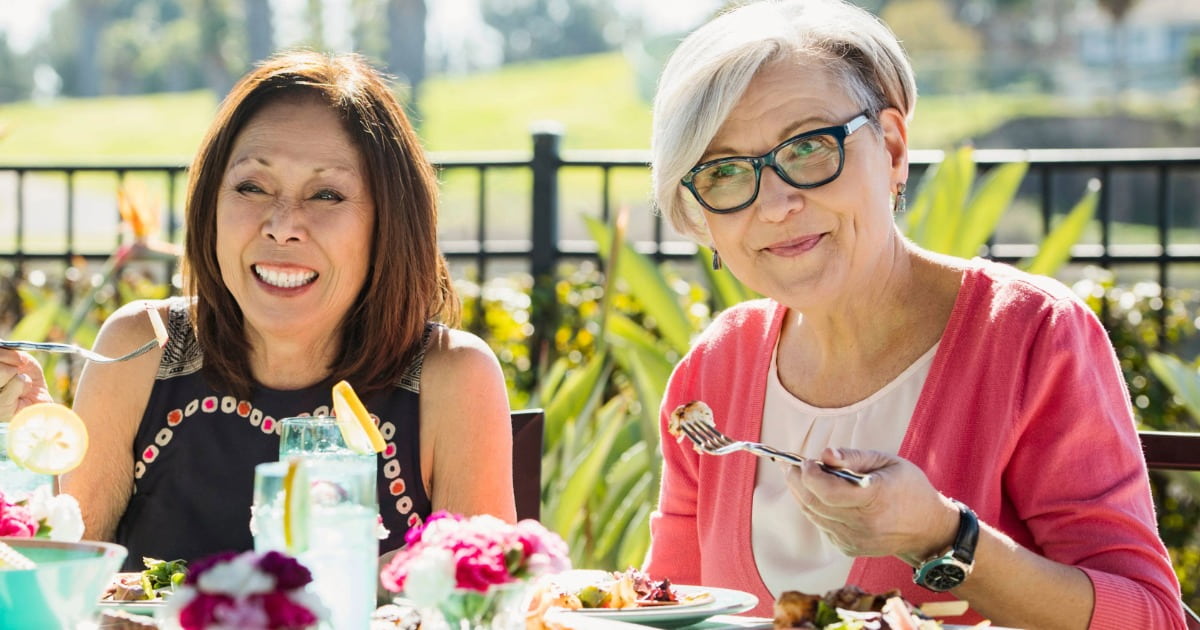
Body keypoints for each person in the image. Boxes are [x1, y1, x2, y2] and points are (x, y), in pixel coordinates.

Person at [641, 2, 1186, 628]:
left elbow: (1149, 617)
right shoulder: (713, 374)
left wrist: (942, 538)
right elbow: (673, 608)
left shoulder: (1029, 334)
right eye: (727, 171)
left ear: (893, 149)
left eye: (811, 148)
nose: (775, 204)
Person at [0, 50, 515, 570]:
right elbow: (57, 586)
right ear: (210, 204)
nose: (282, 224)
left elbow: (484, 607)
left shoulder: (451, 375)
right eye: (252, 186)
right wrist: (22, 443)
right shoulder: (141, 347)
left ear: (389, 223)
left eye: (328, 194)